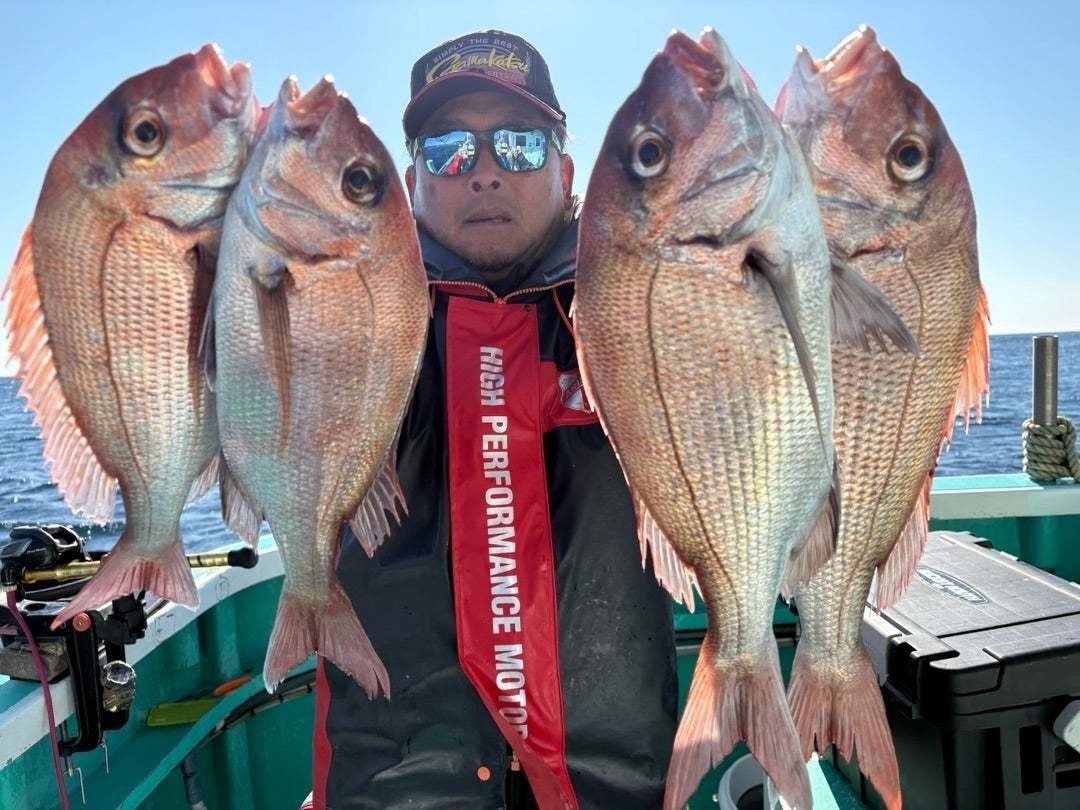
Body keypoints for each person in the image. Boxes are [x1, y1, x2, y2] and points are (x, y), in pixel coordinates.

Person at [308, 30, 677, 810]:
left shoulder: (646, 310)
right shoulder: (343, 317)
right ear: (412, 183)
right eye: (448, 150)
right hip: (392, 789)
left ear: (565, 172)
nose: (483, 170)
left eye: (518, 143)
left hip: (612, 788)